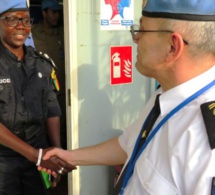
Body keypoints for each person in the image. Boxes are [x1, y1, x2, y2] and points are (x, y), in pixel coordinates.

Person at [41, 0, 215, 194]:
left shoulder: (206, 143)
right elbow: (128, 144)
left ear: (173, 46)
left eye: (142, 30)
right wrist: (69, 157)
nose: (136, 38)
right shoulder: (165, 94)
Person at [0, 1, 75, 195]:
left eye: (26, 20)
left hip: (38, 159)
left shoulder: (42, 64)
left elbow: (51, 109)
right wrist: (37, 156)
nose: (20, 26)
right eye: (11, 19)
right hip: (4, 163)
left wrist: (57, 153)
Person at [31, 0, 67, 149]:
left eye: (58, 12)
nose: (57, 16)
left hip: (63, 93)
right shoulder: (33, 34)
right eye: (53, 12)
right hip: (42, 92)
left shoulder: (64, 33)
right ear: (44, 13)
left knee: (64, 131)